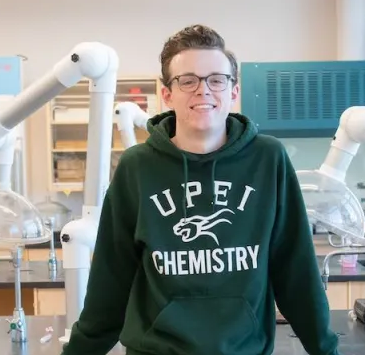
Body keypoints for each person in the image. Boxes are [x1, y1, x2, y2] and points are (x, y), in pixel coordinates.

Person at [61, 24, 340, 355]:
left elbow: (297, 274)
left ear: (233, 91)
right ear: (167, 94)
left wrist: (326, 350)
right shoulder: (137, 168)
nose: (203, 90)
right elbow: (110, 281)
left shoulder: (268, 159)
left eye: (216, 80)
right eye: (188, 80)